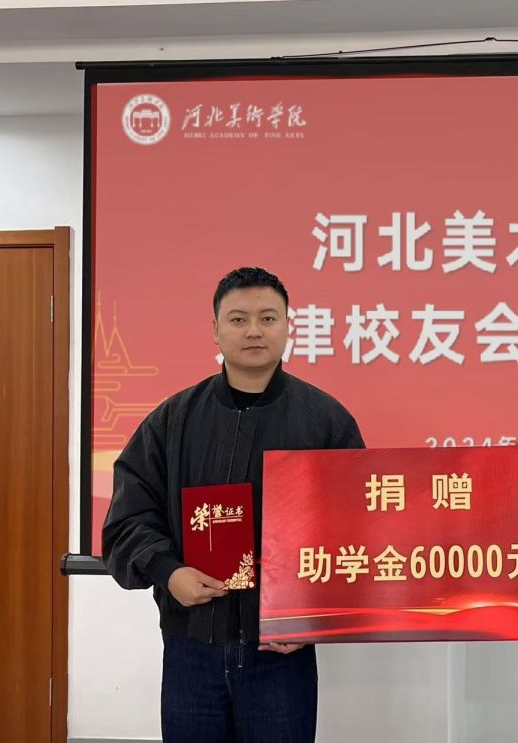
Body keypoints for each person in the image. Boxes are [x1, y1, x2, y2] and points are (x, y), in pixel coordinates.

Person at [102, 266, 364, 743]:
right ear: (216, 330)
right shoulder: (172, 420)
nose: (254, 331)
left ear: (288, 326)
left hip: (280, 652)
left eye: (268, 318)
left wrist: (313, 618)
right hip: (191, 646)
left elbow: (356, 532)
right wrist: (168, 571)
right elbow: (129, 515)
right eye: (238, 319)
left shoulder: (326, 422)